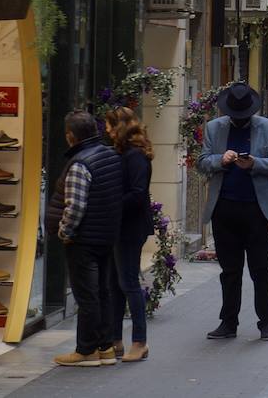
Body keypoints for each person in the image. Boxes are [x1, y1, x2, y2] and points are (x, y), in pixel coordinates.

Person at [197, 81, 268, 341]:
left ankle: (267, 323)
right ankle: (228, 322)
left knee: (261, 268)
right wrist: (220, 160)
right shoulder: (214, 128)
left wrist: (255, 163)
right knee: (230, 271)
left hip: (257, 210)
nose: (238, 118)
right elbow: (202, 162)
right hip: (224, 209)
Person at [48, 110, 124, 367]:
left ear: (71, 136)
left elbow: (76, 206)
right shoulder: (110, 155)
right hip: (106, 236)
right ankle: (106, 347)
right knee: (102, 292)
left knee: (87, 295)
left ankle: (86, 350)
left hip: (84, 239)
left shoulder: (81, 163)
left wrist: (65, 232)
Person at [106, 106, 152, 363]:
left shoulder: (135, 156)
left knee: (129, 283)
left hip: (130, 227)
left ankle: (139, 341)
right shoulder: (125, 153)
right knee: (116, 283)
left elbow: (137, 193)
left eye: (109, 126)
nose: (107, 131)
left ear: (119, 127)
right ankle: (115, 340)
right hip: (121, 225)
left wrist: (111, 204)